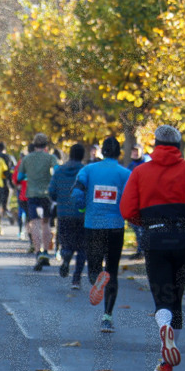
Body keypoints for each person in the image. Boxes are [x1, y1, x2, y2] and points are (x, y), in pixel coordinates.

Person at [120, 125, 185, 371]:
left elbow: (127, 209)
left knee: (161, 296)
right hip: (183, 238)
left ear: (156, 144)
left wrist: (145, 223)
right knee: (176, 297)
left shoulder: (140, 171)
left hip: (155, 238)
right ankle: (166, 363)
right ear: (179, 145)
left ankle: (164, 329)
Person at [72, 137, 130, 332]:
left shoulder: (88, 170)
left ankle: (96, 277)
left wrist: (82, 210)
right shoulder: (125, 174)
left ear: (102, 151)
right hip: (115, 226)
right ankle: (107, 316)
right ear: (118, 152)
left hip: (93, 225)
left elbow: (76, 194)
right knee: (112, 270)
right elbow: (131, 200)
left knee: (95, 266)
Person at [18, 132, 58, 270]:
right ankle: (46, 252)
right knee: (46, 223)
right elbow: (57, 170)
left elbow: (20, 176)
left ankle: (37, 252)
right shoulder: (50, 158)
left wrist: (28, 178)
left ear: (34, 144)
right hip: (46, 195)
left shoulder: (27, 159)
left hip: (32, 194)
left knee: (34, 223)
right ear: (46, 145)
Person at [48, 143, 86, 287]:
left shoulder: (59, 171)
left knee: (66, 241)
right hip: (82, 214)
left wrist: (60, 200)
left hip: (64, 213)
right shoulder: (85, 171)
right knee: (82, 247)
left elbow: (51, 191)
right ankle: (76, 278)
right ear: (82, 155)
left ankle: (66, 255)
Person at [127, 143, 149, 260]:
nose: (135, 153)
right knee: (136, 226)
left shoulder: (146, 164)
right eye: (133, 151)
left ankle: (143, 250)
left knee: (142, 227)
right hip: (134, 200)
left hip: (144, 200)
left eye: (137, 151)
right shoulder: (130, 166)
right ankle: (140, 249)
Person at [0, 142, 16, 224]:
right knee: (5, 204)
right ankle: (8, 213)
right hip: (6, 183)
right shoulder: (9, 157)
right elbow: (12, 170)